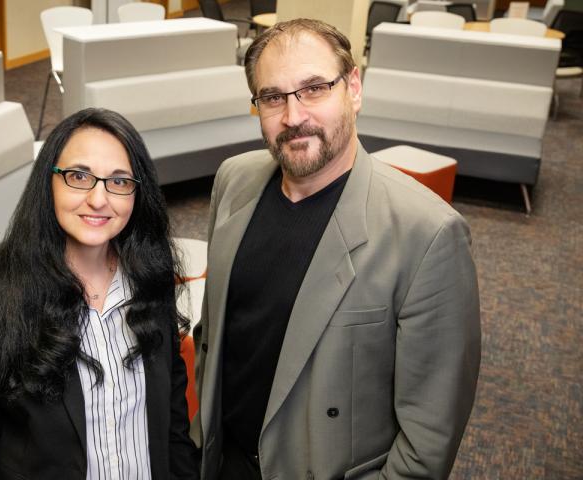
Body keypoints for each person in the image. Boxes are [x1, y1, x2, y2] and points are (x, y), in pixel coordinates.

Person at [193, 18, 481, 480]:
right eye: (273, 97)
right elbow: (215, 333)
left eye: (314, 89)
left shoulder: (427, 234)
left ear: (354, 89)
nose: (293, 116)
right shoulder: (233, 179)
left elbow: (429, 438)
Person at [0, 108, 199, 480]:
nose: (98, 199)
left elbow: (172, 419)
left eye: (119, 181)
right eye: (79, 176)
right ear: (48, 181)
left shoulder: (150, 274)